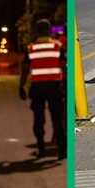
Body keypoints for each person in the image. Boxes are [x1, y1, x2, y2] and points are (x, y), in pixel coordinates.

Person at [19, 18, 67, 159]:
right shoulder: (57, 46)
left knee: (38, 119)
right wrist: (64, 85)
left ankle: (41, 149)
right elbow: (63, 67)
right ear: (49, 30)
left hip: (37, 87)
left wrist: (21, 86)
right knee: (57, 119)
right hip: (54, 86)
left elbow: (25, 70)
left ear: (37, 31)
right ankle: (62, 151)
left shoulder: (31, 48)